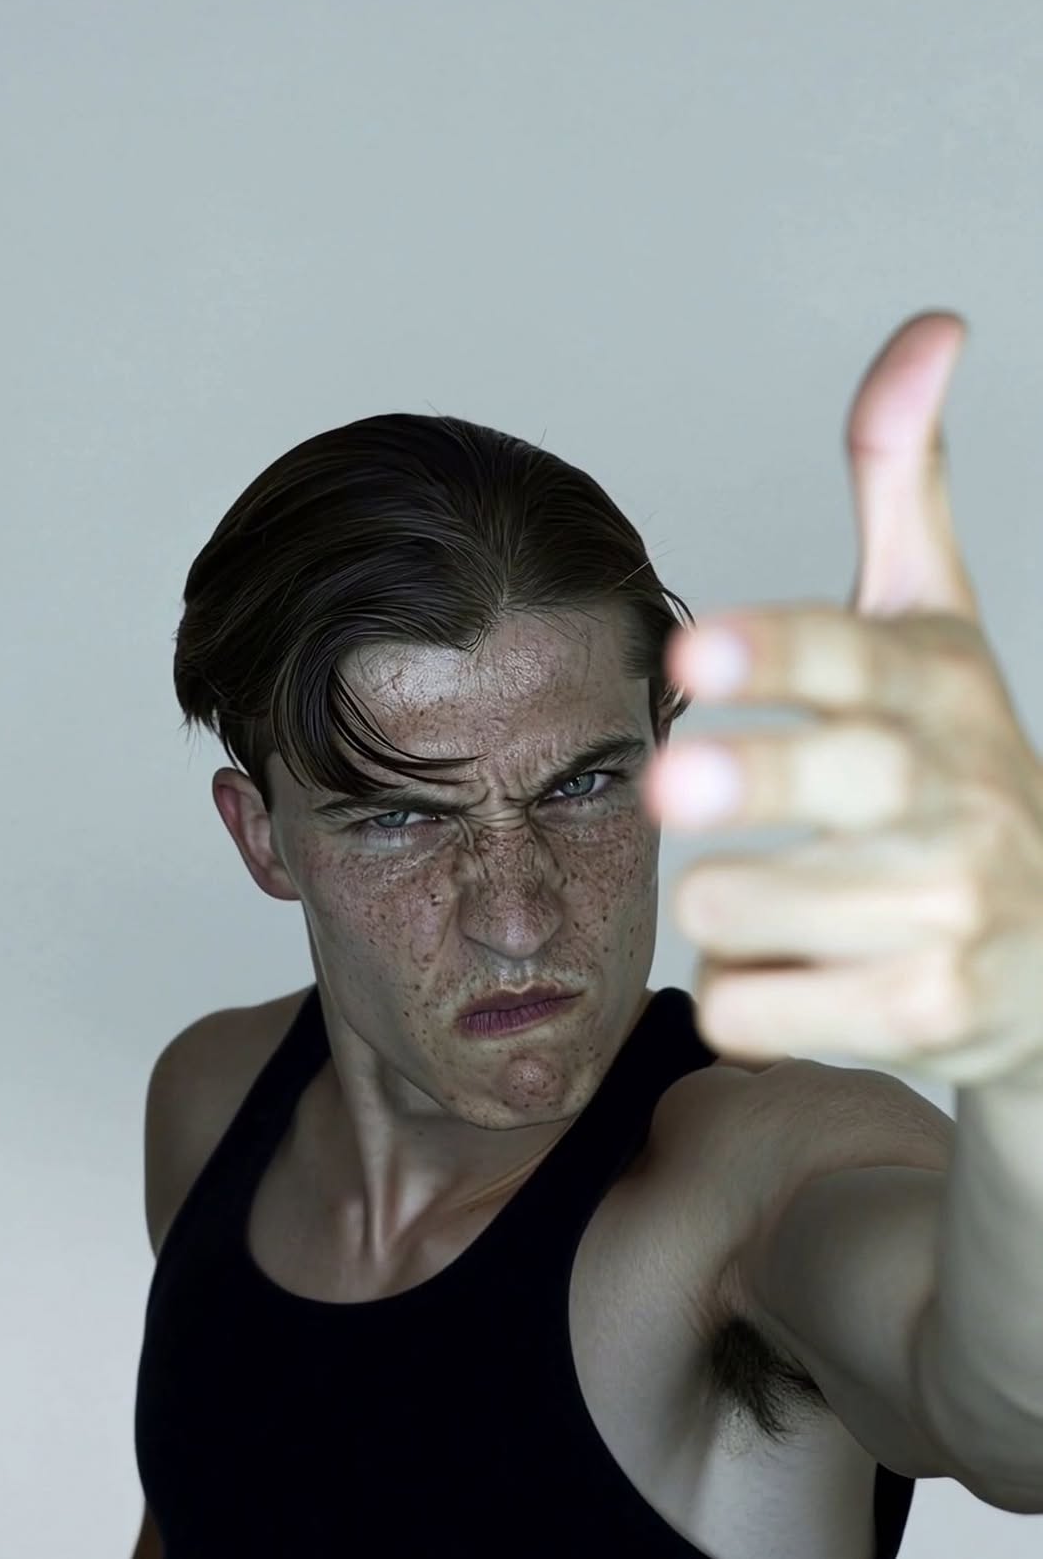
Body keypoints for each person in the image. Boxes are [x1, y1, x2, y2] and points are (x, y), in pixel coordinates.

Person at [132, 411, 915, 1556]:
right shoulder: (211, 1101)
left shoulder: (750, 1175)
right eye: (401, 817)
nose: (514, 918)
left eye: (580, 787)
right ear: (263, 836)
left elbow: (986, 1368)